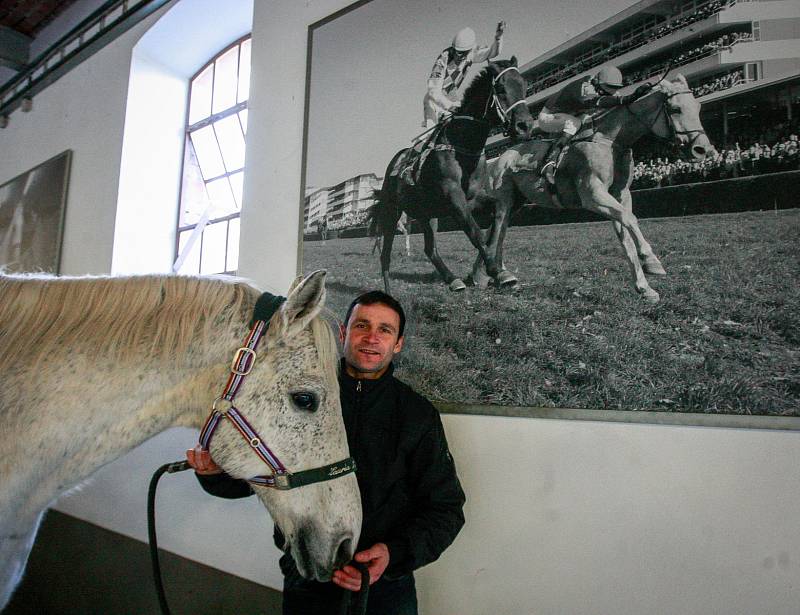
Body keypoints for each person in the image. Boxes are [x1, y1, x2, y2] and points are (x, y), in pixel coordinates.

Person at [187, 290, 466, 615]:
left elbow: (446, 509)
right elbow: (262, 477)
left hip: (385, 589)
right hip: (307, 580)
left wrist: (393, 555)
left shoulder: (417, 416)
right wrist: (214, 475)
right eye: (362, 325)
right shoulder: (298, 398)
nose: (371, 338)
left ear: (398, 343)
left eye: (384, 330)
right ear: (343, 333)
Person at [537, 65, 654, 184]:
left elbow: (617, 99)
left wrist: (643, 95)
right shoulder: (583, 88)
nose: (608, 92)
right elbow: (603, 101)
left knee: (589, 119)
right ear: (597, 82)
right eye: (606, 90)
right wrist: (630, 97)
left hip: (571, 113)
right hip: (548, 116)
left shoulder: (598, 84)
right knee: (575, 123)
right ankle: (549, 162)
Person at [422, 22, 506, 129]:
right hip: (434, 102)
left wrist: (498, 37)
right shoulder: (443, 59)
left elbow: (492, 53)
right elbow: (433, 91)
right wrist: (449, 106)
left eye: (463, 53)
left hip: (453, 98)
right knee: (430, 134)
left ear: (470, 50)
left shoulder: (471, 54)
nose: (459, 56)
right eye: (457, 52)